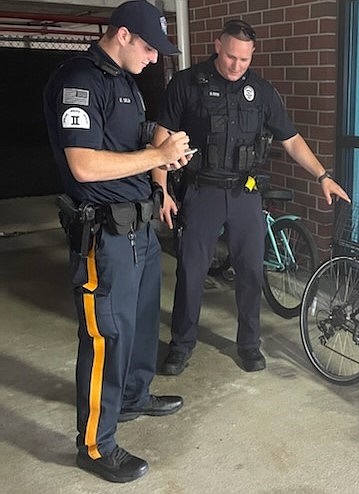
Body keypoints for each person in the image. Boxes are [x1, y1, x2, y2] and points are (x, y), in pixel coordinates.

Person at [43, 0, 191, 484]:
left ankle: (133, 396)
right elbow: (84, 165)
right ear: (122, 35)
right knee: (106, 337)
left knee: (143, 323)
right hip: (104, 235)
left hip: (141, 228)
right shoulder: (78, 81)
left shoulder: (126, 83)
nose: (153, 58)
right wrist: (155, 152)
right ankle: (95, 445)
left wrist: (163, 165)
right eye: (149, 47)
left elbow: (137, 146)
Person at [151, 19, 350, 376]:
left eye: (244, 60)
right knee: (191, 272)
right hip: (202, 192)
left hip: (245, 194)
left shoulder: (261, 92)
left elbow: (291, 139)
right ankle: (181, 346)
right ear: (217, 45)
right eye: (230, 57)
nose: (236, 66)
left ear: (251, 55)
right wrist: (161, 190)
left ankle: (249, 345)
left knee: (251, 274)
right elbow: (162, 138)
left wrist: (323, 175)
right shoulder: (187, 84)